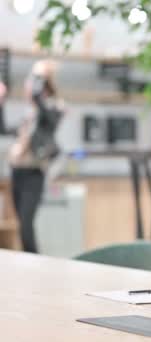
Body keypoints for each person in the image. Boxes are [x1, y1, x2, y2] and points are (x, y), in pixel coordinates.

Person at [8, 60, 64, 253]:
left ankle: (34, 263)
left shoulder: (54, 108)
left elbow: (47, 116)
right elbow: (6, 130)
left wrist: (39, 76)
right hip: (17, 172)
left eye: (35, 79)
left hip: (34, 173)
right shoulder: (29, 113)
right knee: (20, 224)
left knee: (26, 224)